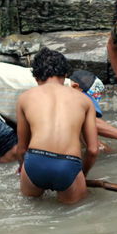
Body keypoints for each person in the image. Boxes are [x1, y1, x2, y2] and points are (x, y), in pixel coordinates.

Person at [16, 48, 98, 204]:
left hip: (35, 161)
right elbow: (93, 150)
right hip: (67, 164)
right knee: (73, 218)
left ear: (36, 77)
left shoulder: (24, 98)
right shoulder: (84, 101)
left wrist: (24, 171)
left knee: (30, 210)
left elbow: (21, 149)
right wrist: (80, 174)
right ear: (66, 75)